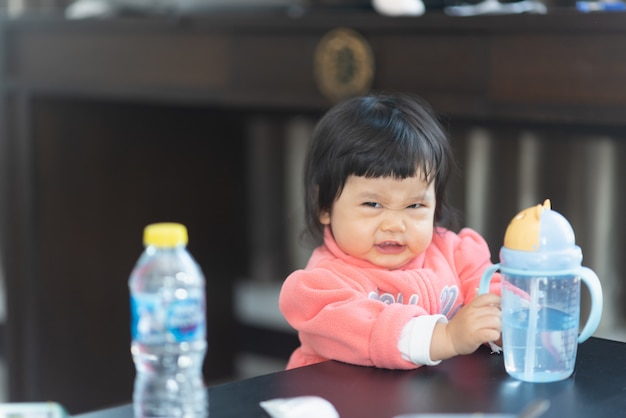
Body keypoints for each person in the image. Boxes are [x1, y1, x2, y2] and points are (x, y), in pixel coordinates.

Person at [279, 93, 501, 370]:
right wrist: (447, 337)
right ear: (324, 205)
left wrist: (506, 323)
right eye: (373, 204)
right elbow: (371, 331)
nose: (395, 225)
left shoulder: (456, 254)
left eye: (415, 204)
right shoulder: (320, 288)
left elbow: (490, 293)